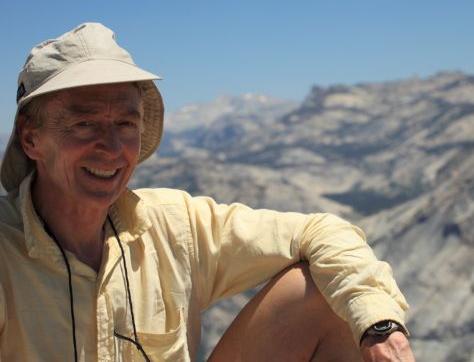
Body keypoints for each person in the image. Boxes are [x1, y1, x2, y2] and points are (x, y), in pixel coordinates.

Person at [0, 22, 415, 361]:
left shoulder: (172, 224)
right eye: (84, 124)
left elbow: (322, 231)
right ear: (32, 139)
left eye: (125, 124)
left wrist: (378, 325)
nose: (111, 148)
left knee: (323, 290)